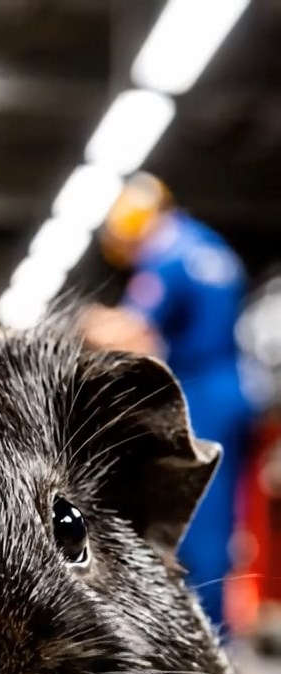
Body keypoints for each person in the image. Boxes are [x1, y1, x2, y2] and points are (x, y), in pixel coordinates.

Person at [84, 173, 269, 631]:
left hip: (200, 394)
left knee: (192, 519)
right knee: (221, 514)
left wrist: (82, 321)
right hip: (231, 388)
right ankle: (219, 632)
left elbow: (130, 329)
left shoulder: (167, 255)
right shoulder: (208, 246)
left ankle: (206, 637)